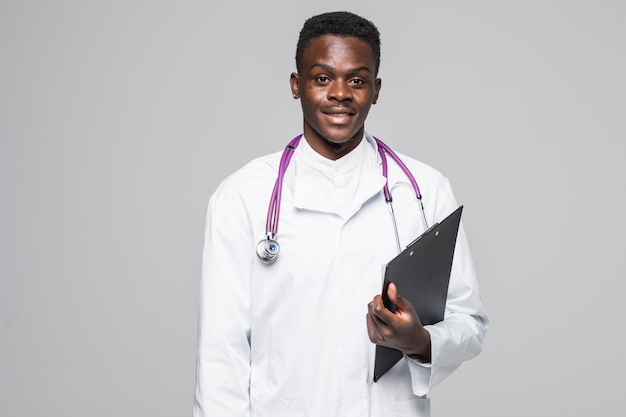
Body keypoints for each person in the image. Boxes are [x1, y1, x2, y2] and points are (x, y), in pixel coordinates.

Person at [194, 11, 488, 417]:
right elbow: (220, 355)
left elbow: (468, 321)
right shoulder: (242, 197)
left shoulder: (424, 190)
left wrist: (419, 341)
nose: (339, 93)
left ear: (376, 89)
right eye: (321, 78)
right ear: (296, 86)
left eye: (356, 80)